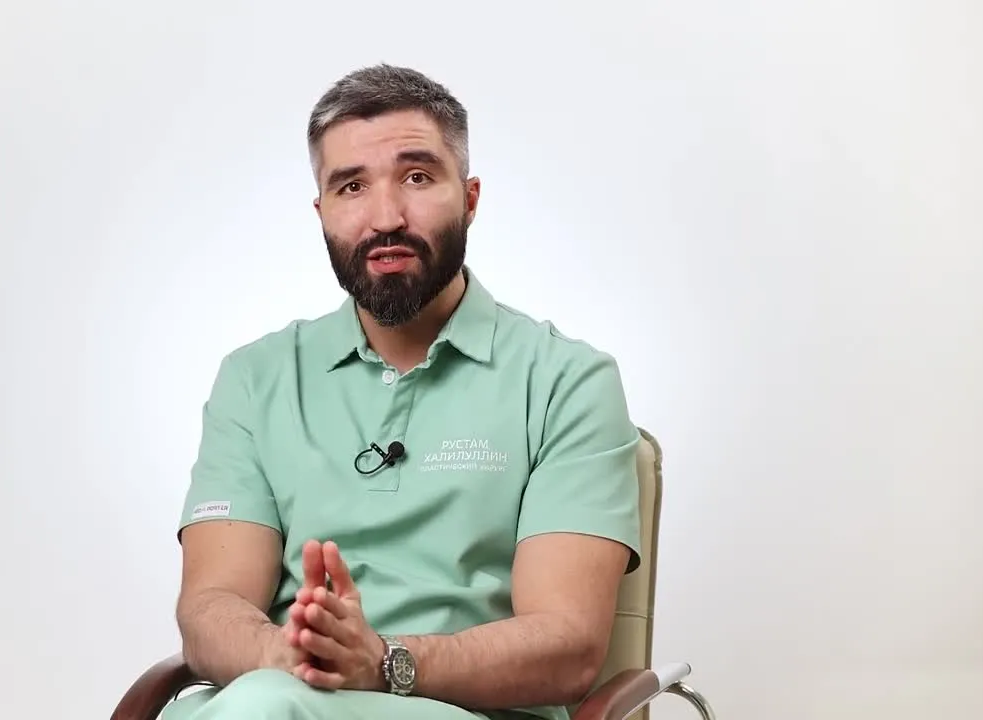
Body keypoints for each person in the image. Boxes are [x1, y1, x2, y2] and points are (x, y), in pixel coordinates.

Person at [165, 64, 643, 720]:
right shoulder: (255, 380)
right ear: (321, 212)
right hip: (273, 698)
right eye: (351, 186)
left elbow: (569, 647)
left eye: (417, 177)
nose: (386, 218)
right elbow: (209, 608)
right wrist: (299, 657)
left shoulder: (567, 381)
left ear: (470, 198)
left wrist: (383, 661)